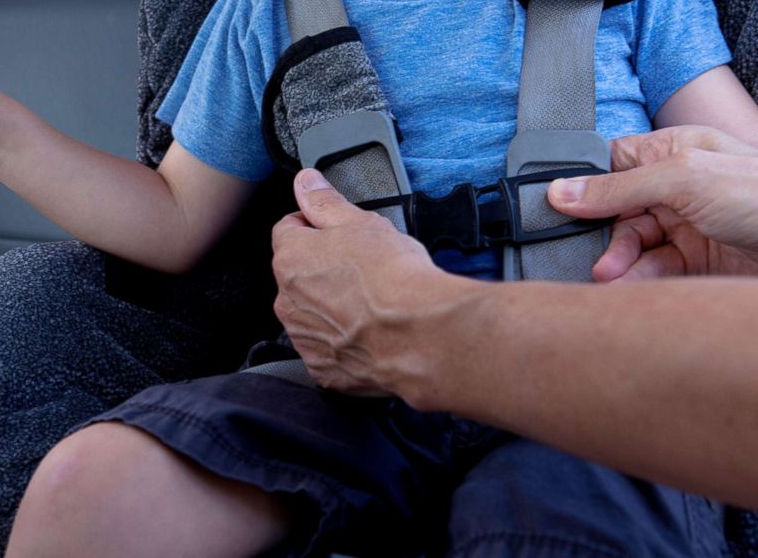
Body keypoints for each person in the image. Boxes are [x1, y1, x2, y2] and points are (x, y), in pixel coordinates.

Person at [0, 0, 755, 555]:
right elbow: (172, 221)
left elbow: (738, 169)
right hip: (349, 368)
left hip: (591, 366)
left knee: (541, 531)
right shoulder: (267, 5)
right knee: (92, 484)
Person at [271, 125, 758, 510]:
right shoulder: (261, 11)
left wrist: (408, 321)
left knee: (557, 506)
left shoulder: (650, 1)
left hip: (583, 418)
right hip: (339, 394)